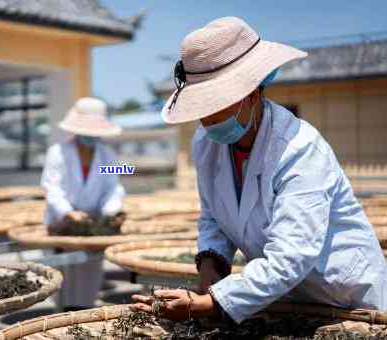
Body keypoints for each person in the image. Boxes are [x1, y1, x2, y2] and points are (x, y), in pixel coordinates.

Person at [132, 17, 387, 324]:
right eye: (201, 109)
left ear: (252, 94)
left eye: (216, 105)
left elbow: (292, 256)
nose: (207, 120)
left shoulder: (299, 149)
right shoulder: (206, 143)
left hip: (346, 298)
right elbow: (213, 216)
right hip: (283, 299)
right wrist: (212, 265)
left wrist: (208, 304)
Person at [41, 97, 125, 311]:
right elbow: (52, 187)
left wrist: (111, 211)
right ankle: (61, 315)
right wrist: (69, 213)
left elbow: (113, 187)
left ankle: (83, 314)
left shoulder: (108, 156)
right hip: (63, 227)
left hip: (93, 227)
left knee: (88, 276)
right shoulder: (58, 153)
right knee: (63, 279)